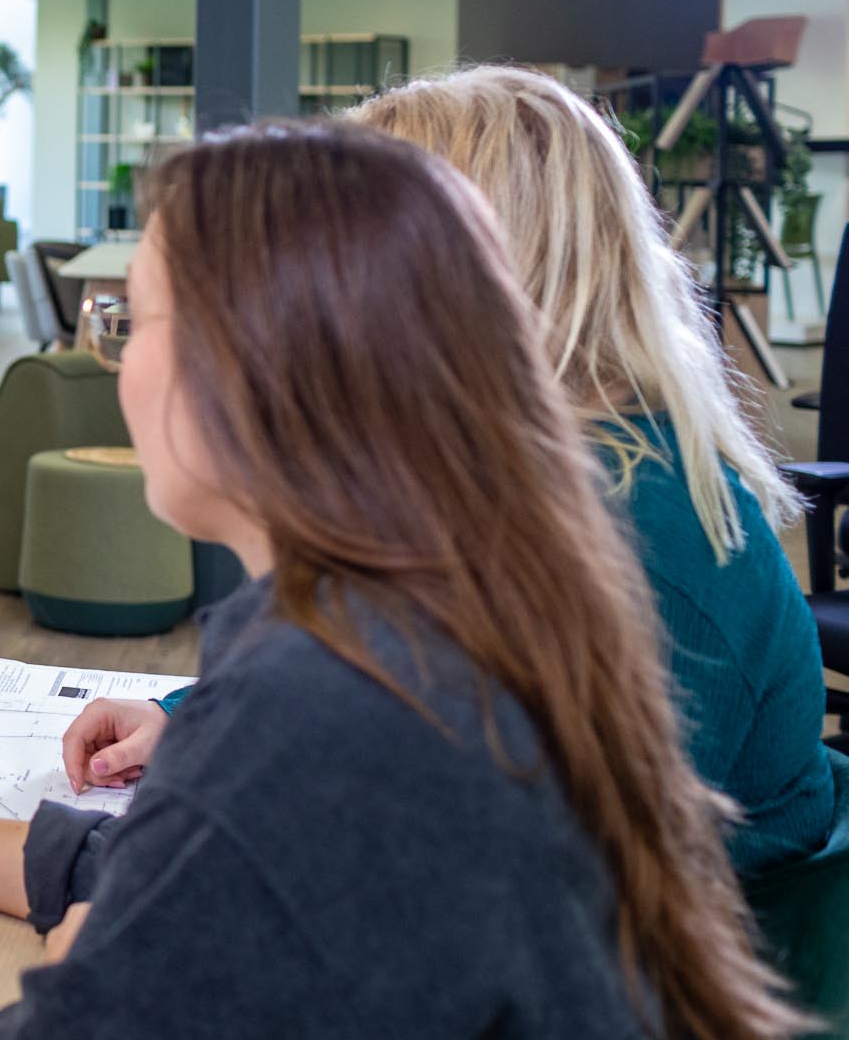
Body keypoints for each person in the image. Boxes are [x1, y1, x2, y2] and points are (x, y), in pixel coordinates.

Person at [0, 122, 801, 1040]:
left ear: (251, 366)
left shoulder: (330, 704)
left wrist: (78, 960)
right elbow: (225, 888)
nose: (112, 357)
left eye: (131, 322)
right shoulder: (446, 611)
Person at [69, 65, 832, 876]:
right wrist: (186, 718)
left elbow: (456, 883)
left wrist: (75, 866)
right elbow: (377, 690)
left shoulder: (626, 537)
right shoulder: (507, 467)